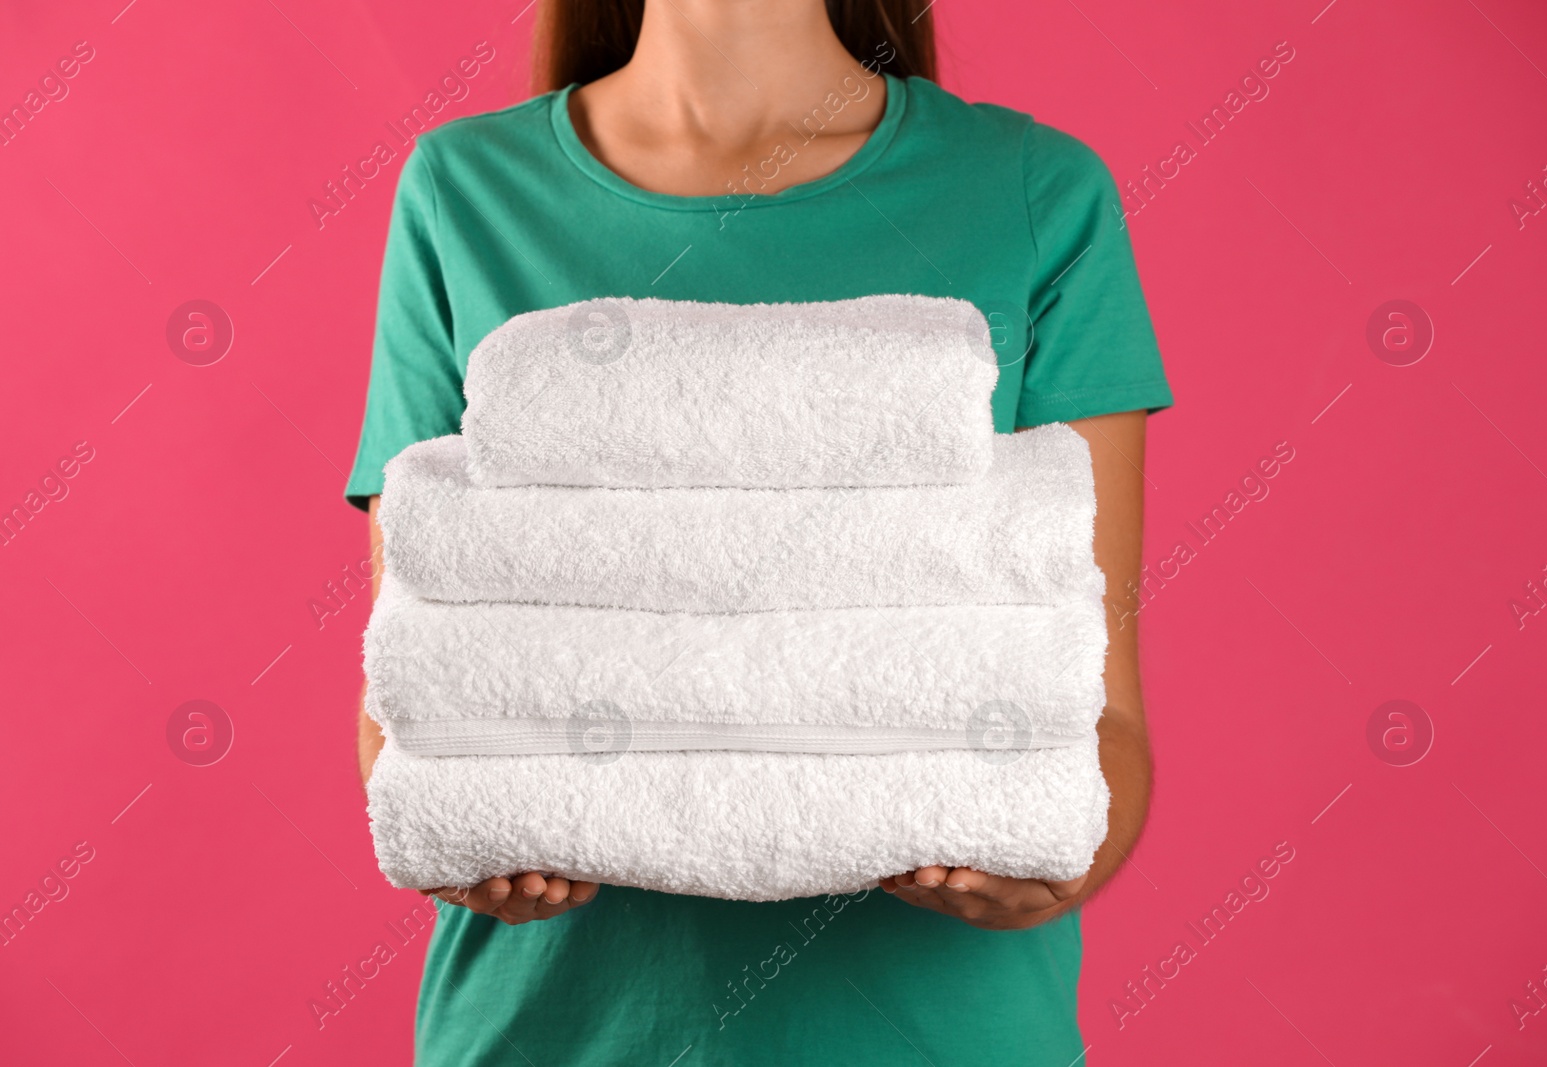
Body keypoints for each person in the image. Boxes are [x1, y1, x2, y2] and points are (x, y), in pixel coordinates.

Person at [345, 1, 1171, 1062]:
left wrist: (1050, 861)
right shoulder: (464, 192)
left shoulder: (1034, 192)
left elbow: (1099, 717)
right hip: (553, 1035)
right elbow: (416, 681)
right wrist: (469, 822)